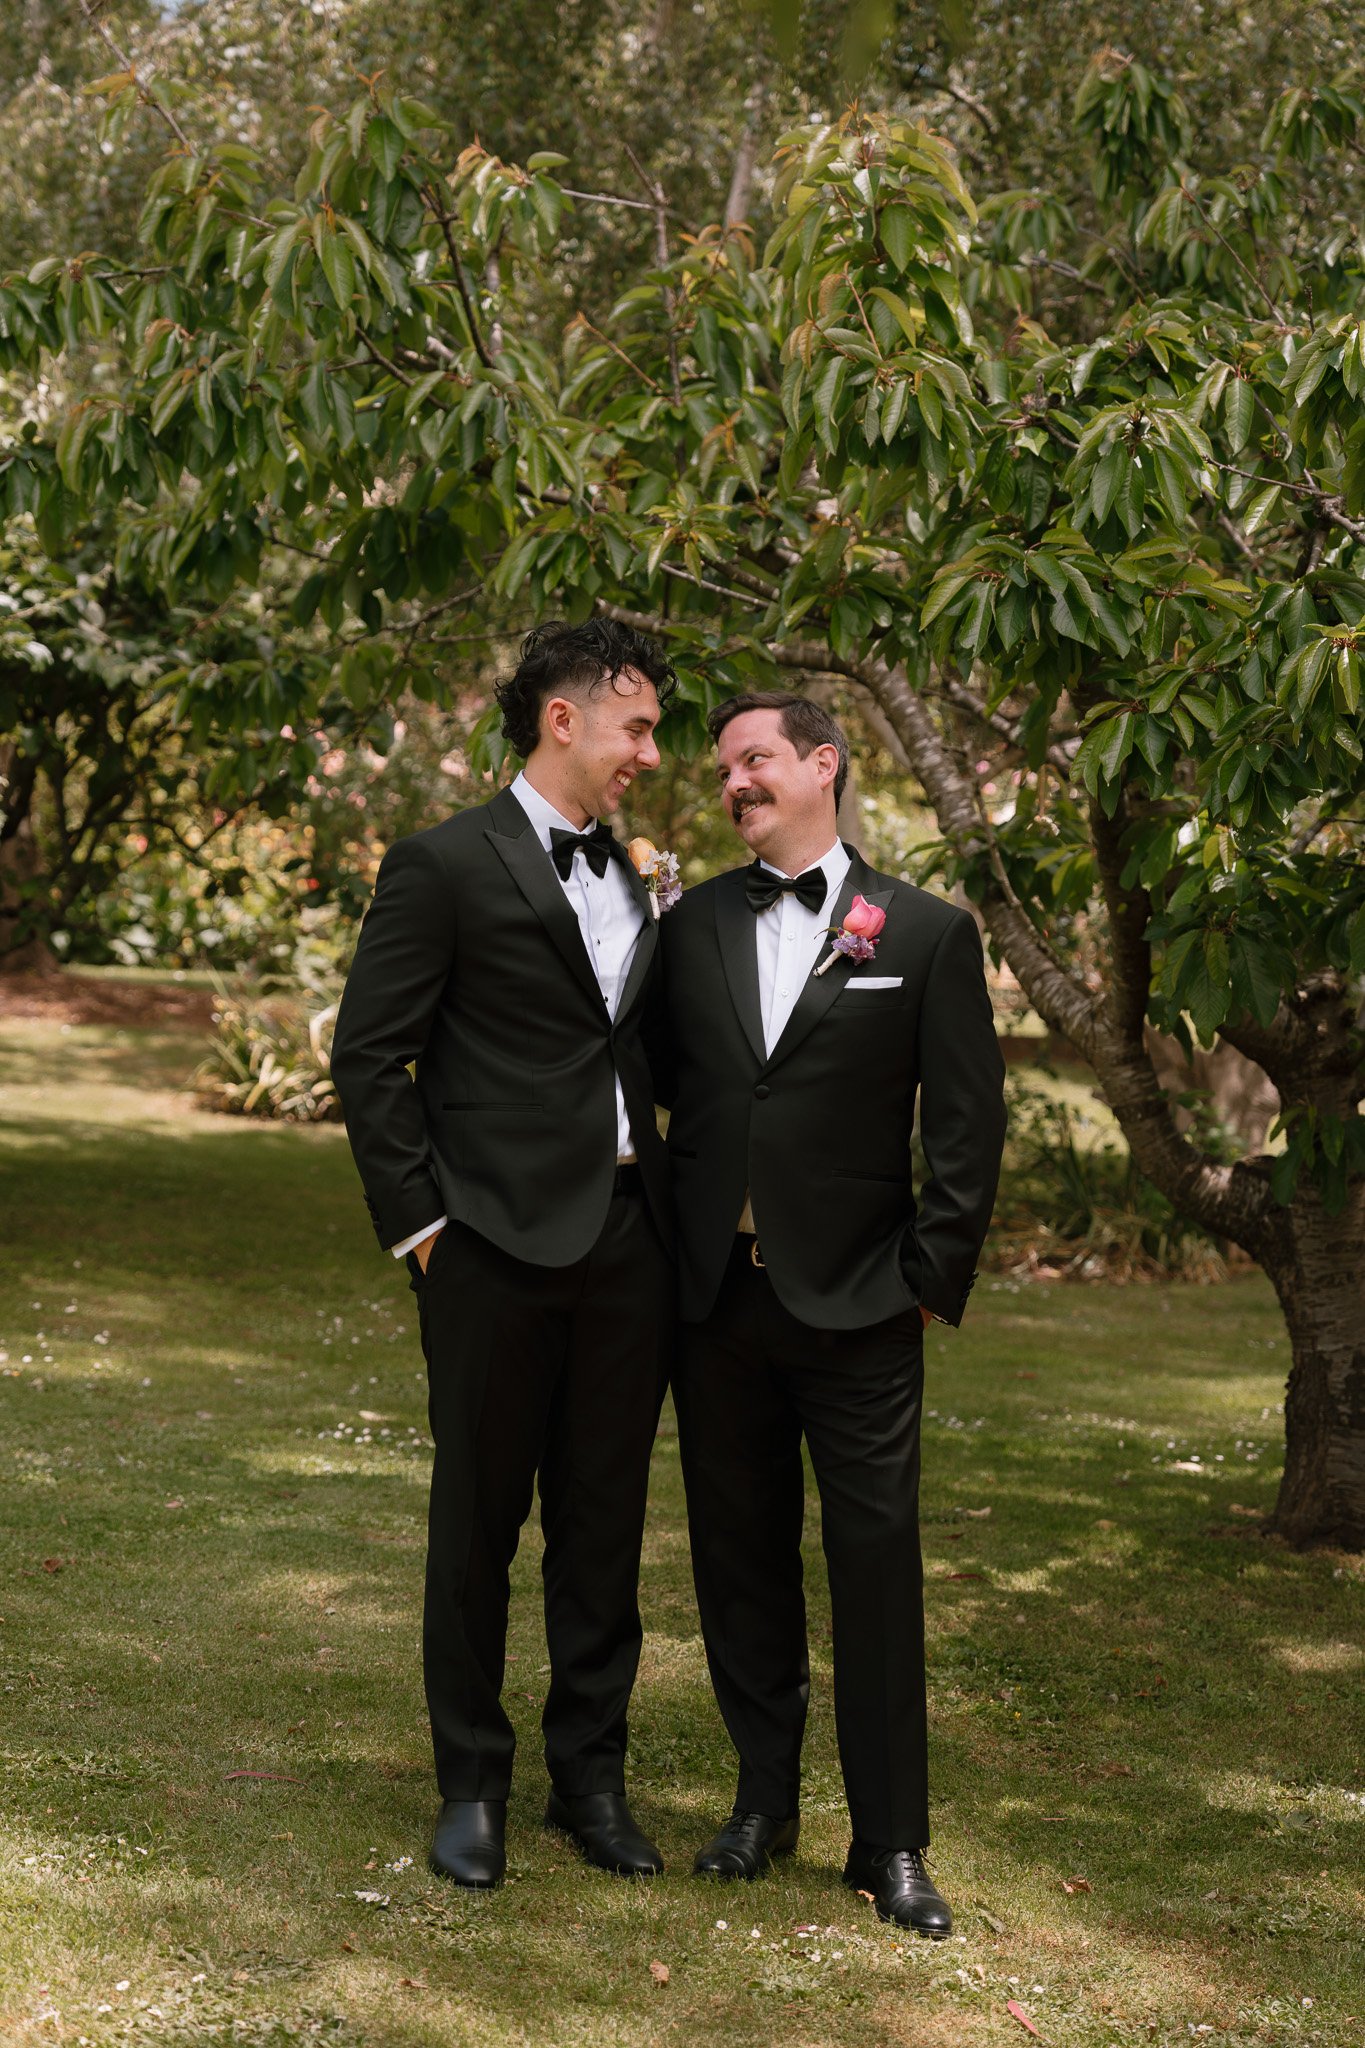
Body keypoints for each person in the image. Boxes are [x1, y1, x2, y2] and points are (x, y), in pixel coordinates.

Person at [330, 619, 675, 1889]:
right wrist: (426, 1228)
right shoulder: (441, 864)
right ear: (565, 717)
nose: (651, 750)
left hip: (632, 1244)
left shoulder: (645, 873)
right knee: (478, 1520)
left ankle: (591, 1781)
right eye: (636, 724)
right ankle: (471, 1779)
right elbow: (372, 1053)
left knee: (605, 1525)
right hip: (487, 1247)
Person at [657, 691, 1006, 1936]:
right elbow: (653, 1093)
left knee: (875, 1571)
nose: (734, 782)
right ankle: (762, 1803)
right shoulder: (690, 923)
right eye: (724, 769)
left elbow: (967, 1130)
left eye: (754, 759)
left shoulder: (922, 929)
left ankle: (890, 1840)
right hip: (718, 1307)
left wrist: (922, 1279)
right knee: (738, 1563)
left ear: (823, 762)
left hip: (862, 1309)